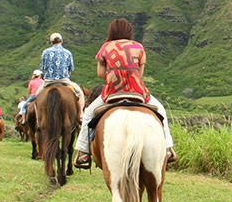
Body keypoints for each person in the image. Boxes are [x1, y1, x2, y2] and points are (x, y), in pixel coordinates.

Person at [73, 18, 175, 168]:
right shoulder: (139, 47)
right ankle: (167, 149)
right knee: (161, 111)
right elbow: (139, 75)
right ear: (129, 32)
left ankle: (83, 153)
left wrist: (114, 75)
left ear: (111, 31)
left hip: (112, 92)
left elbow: (101, 73)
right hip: (137, 91)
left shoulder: (105, 47)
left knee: (88, 114)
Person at [37, 33, 85, 121]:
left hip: (49, 81)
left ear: (51, 42)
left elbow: (42, 68)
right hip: (64, 80)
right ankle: (81, 115)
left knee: (37, 96)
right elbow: (70, 70)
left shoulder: (45, 52)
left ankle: (38, 120)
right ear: (61, 41)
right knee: (80, 93)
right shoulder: (68, 52)